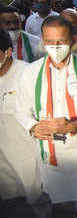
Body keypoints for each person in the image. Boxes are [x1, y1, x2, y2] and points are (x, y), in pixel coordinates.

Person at [16, 16, 77, 218]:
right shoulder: (31, 72)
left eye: (61, 41)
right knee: (55, 201)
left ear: (72, 40)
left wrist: (74, 125)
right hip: (51, 151)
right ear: (42, 39)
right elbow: (21, 111)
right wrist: (33, 127)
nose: (55, 47)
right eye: (49, 41)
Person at [0, 29, 42, 213]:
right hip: (3, 162)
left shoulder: (28, 73)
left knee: (38, 203)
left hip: (29, 158)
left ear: (8, 52)